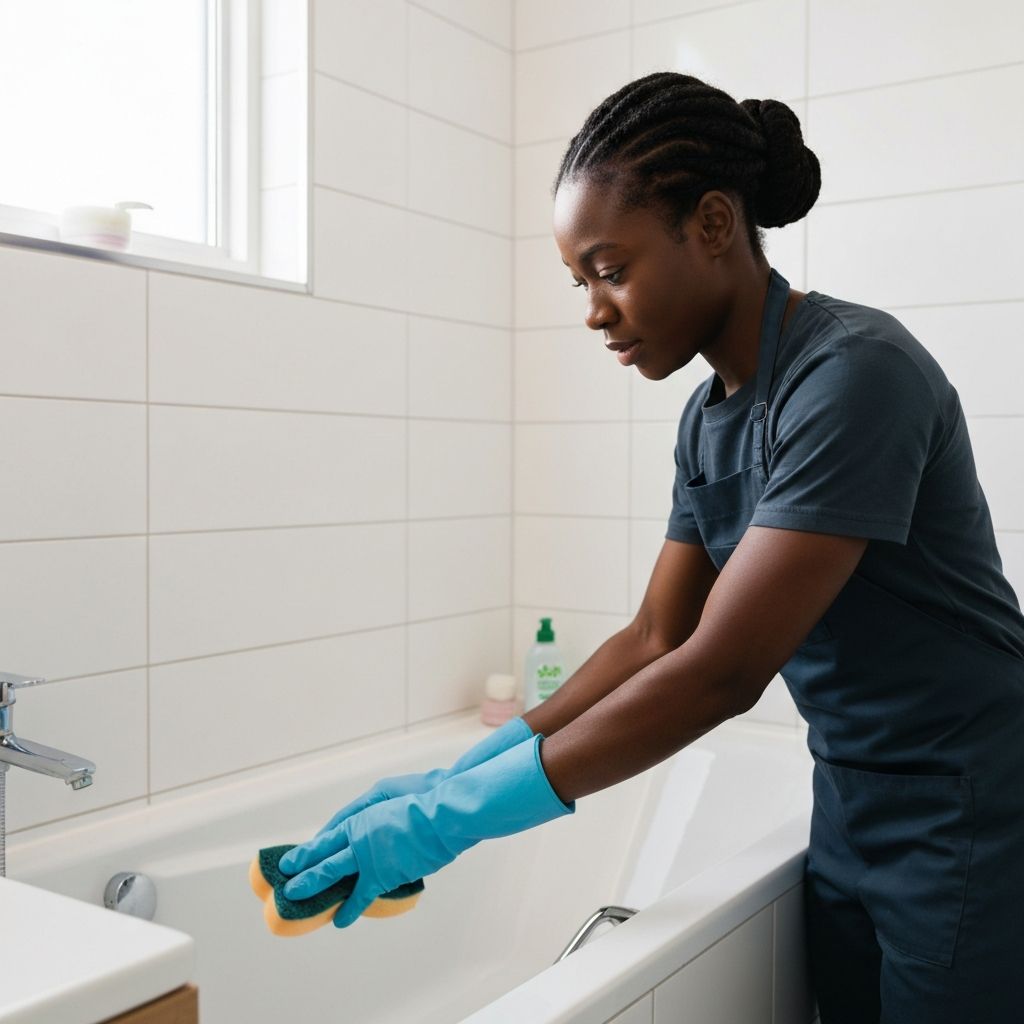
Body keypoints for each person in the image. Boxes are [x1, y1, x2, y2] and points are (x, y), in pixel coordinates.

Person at [276, 72, 1024, 1023]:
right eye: (580, 281)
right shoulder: (706, 420)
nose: (594, 310)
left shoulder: (855, 375)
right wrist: (460, 771)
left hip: (973, 805)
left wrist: (452, 821)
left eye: (611, 270)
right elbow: (654, 637)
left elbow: (720, 671)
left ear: (712, 224)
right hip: (849, 797)